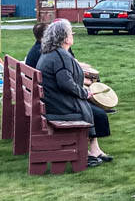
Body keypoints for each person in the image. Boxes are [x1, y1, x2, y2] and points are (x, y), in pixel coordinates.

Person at [35, 19, 111, 168]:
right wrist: (84, 93)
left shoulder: (51, 53)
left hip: (51, 102)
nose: (73, 35)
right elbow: (66, 84)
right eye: (71, 33)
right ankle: (86, 152)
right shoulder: (60, 56)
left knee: (94, 110)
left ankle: (94, 150)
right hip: (59, 107)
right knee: (96, 112)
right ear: (64, 37)